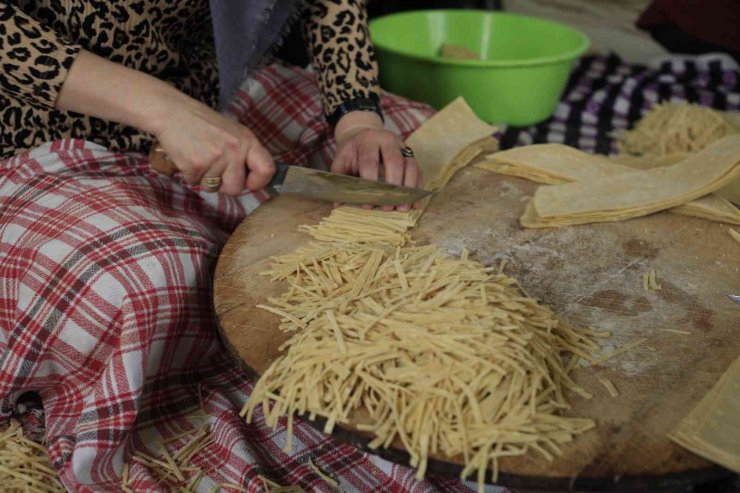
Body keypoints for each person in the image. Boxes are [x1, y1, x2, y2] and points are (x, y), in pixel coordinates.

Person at [0, 1, 446, 491]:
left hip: (211, 102)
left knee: (422, 143)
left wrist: (358, 118)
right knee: (143, 280)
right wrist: (164, 109)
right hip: (37, 138)